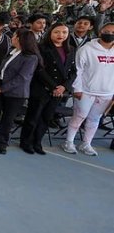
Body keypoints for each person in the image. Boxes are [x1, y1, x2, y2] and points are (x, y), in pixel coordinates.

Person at [0, 29, 40, 154]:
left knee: (8, 119)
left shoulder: (31, 58)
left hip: (15, 93)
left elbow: (22, 78)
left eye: (14, 36)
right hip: (0, 86)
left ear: (19, 39)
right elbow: (3, 69)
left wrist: (3, 89)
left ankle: (2, 144)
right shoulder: (12, 51)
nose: (11, 38)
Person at [62, 22, 114, 156]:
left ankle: (86, 143)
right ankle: (69, 141)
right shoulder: (87, 49)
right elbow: (77, 70)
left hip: (106, 93)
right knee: (79, 116)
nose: (109, 34)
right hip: (86, 91)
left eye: (113, 33)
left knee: (95, 119)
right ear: (100, 32)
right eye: (107, 31)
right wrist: (77, 88)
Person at [23, 23, 75, 155]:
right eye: (57, 32)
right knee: (33, 116)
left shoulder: (71, 49)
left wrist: (64, 87)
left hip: (59, 91)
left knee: (46, 117)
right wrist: (53, 86)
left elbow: (73, 71)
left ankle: (37, 142)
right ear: (50, 33)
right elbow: (39, 69)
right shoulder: (41, 48)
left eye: (64, 32)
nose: (61, 35)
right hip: (42, 87)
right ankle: (26, 142)